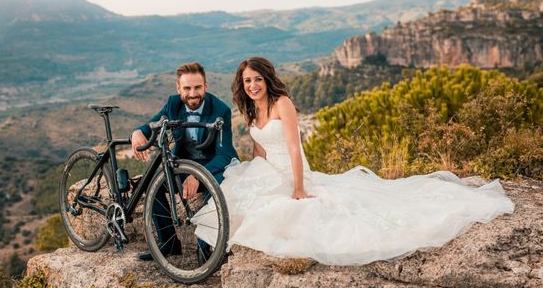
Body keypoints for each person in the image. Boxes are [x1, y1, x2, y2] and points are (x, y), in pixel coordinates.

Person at [194, 57, 514, 266]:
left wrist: (300, 187)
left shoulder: (283, 104)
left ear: (267, 79)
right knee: (239, 197)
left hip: (293, 172)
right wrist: (254, 173)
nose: (252, 86)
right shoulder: (251, 110)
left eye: (257, 80)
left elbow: (294, 148)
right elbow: (260, 151)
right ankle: (213, 250)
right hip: (269, 170)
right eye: (247, 81)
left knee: (293, 212)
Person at [131, 62, 238, 261]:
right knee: (153, 185)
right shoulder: (174, 104)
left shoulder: (221, 110)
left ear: (205, 86)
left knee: (214, 191)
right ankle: (169, 244)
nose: (192, 93)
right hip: (183, 165)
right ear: (178, 88)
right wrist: (138, 132)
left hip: (215, 165)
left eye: (197, 87)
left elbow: (224, 154)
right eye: (187, 88)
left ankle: (207, 249)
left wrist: (198, 176)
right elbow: (152, 124)